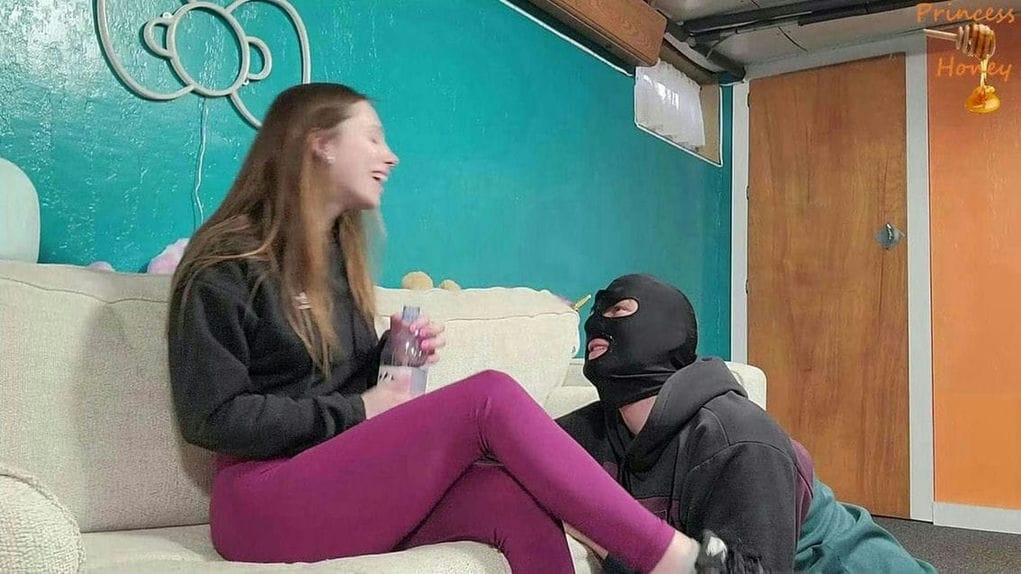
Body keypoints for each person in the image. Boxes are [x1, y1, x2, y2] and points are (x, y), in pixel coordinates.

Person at [165, 83, 760, 573]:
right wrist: (362, 408)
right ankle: (676, 559)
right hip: (260, 504)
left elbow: (321, 387)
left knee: (510, 496)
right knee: (488, 398)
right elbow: (211, 417)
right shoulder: (224, 265)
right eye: (372, 136)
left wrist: (387, 357)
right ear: (320, 144)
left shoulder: (332, 265)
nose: (390, 155)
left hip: (331, 480)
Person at [557, 274, 937, 573]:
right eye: (595, 313)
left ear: (667, 330)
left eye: (618, 310)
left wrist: (606, 537)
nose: (596, 323)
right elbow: (523, 448)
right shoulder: (597, 430)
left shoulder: (738, 439)